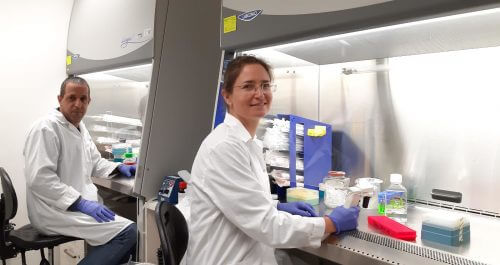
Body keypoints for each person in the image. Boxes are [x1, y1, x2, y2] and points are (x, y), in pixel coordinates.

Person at [184, 55, 361, 265]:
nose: (259, 94)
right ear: (227, 96)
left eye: (265, 85)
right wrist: (330, 223)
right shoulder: (225, 147)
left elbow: (244, 203)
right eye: (248, 86)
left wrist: (275, 206)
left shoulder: (248, 143)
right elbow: (267, 225)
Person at [23, 76, 137, 265]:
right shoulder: (45, 128)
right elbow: (40, 179)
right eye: (71, 98)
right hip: (53, 211)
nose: (78, 104)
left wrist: (119, 167)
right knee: (128, 233)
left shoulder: (79, 127)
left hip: (74, 206)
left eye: (83, 99)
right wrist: (79, 203)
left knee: (120, 239)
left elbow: (94, 162)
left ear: (89, 101)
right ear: (60, 99)